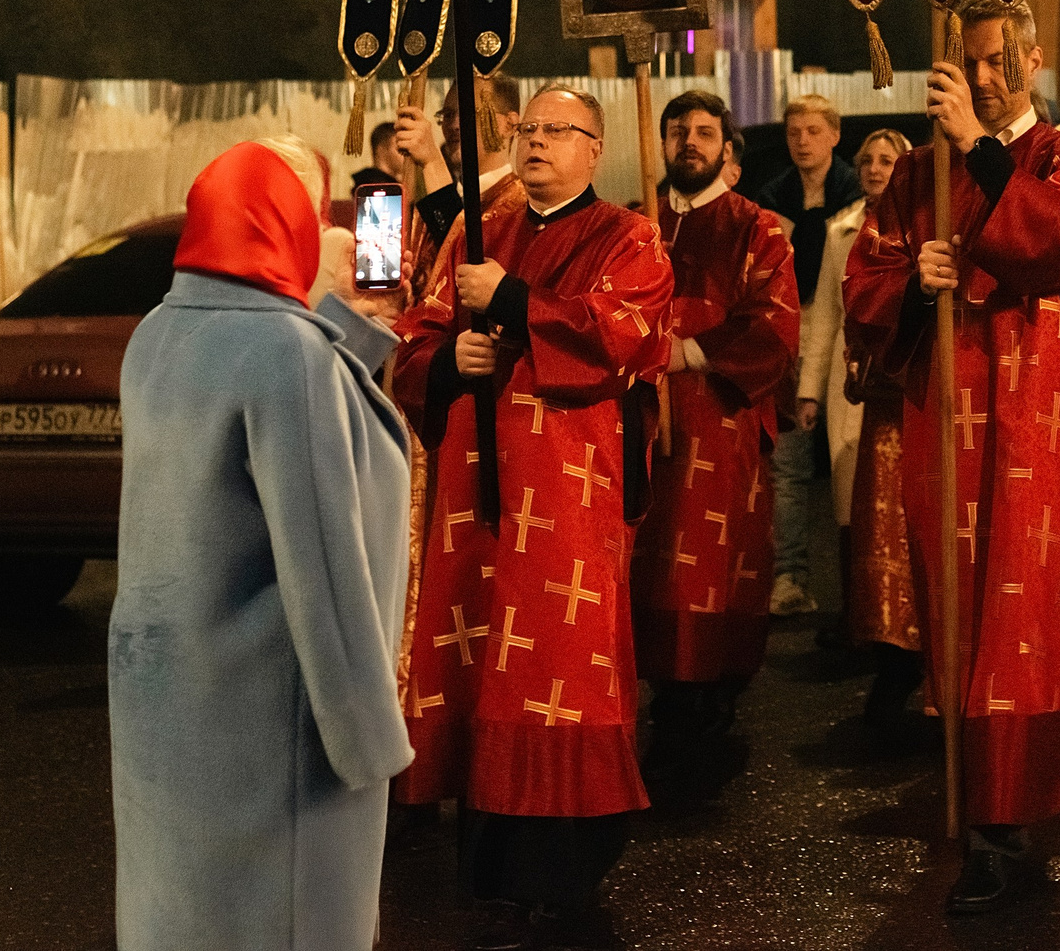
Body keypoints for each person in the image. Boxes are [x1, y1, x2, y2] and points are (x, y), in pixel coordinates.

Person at [841, 0, 1060, 914]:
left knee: (1021, 621)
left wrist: (981, 144)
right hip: (948, 412)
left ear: (1033, 56)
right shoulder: (915, 175)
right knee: (959, 612)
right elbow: (869, 272)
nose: (982, 74)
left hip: (1033, 418)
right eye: (969, 60)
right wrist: (911, 286)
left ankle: (1003, 826)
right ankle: (975, 809)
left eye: (996, 58)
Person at [386, 89, 674, 947]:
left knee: (556, 668)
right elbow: (415, 335)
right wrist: (449, 358)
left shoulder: (630, 235)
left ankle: (558, 874)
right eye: (529, 130)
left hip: (566, 493)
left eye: (558, 131)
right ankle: (496, 875)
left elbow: (618, 334)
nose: (539, 142)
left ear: (596, 147)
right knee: (485, 664)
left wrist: (509, 301)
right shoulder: (483, 232)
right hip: (476, 492)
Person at [110, 139, 411, 951]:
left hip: (171, 708)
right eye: (313, 212)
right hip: (273, 717)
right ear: (282, 220)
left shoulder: (156, 334)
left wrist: (344, 325)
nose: (329, 229)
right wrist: (369, 736)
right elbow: (323, 559)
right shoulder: (289, 351)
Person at [632, 92, 801, 781]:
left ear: (727, 146)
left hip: (718, 428)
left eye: (704, 132)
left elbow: (774, 324)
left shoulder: (756, 227)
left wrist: (690, 353)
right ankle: (659, 707)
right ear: (664, 142)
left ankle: (704, 712)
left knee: (705, 568)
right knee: (646, 564)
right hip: (643, 429)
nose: (690, 142)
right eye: (679, 131)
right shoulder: (635, 224)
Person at [822, 129, 923, 723]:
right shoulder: (864, 229)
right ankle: (893, 657)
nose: (882, 170)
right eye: (873, 160)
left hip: (941, 401)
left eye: (895, 160)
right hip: (890, 406)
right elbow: (856, 301)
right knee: (885, 538)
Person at [751, 94, 865, 617]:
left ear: (835, 135)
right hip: (790, 334)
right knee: (790, 467)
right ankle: (790, 576)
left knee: (854, 464)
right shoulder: (774, 194)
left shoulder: (857, 191)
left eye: (813, 131)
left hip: (842, 336)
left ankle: (861, 589)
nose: (802, 141)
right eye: (794, 132)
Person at [397, 76, 524, 303]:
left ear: (509, 124)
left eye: (469, 113)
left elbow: (464, 258)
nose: (454, 125)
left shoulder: (521, 204)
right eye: (447, 115)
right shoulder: (428, 205)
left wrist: (433, 162)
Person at [354, 119, 404, 193]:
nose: (405, 155)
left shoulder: (395, 185)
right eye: (400, 149)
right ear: (381, 149)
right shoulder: (372, 188)